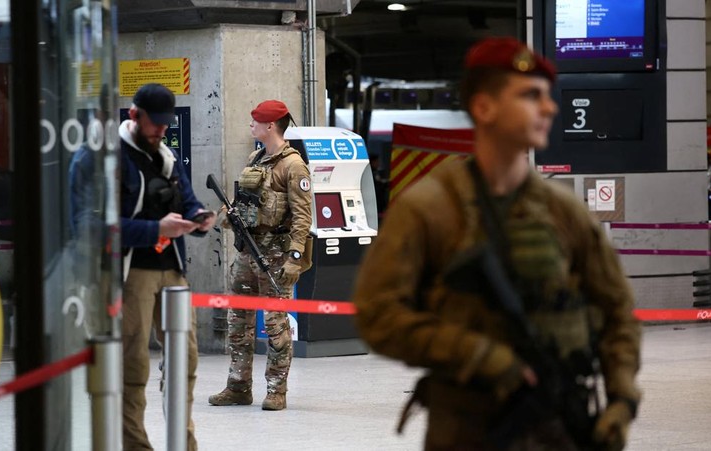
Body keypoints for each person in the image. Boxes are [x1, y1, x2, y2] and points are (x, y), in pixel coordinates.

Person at [352, 37, 642, 450]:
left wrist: (622, 396)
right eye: (530, 96)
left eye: (547, 96)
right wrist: (477, 355)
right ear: (484, 107)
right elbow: (377, 314)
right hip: (467, 431)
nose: (550, 108)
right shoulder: (429, 209)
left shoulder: (564, 211)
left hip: (562, 425)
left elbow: (618, 311)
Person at [119, 83, 216, 450]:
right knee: (133, 364)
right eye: (154, 123)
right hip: (132, 272)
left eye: (165, 124)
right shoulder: (107, 159)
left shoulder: (167, 157)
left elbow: (188, 201)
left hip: (172, 269)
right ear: (134, 115)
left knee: (185, 360)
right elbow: (92, 225)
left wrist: (199, 219)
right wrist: (155, 229)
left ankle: (183, 444)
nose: (160, 130)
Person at [208, 100, 313, 411]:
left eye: (256, 122)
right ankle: (238, 386)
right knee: (237, 320)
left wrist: (295, 257)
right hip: (247, 251)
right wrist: (231, 215)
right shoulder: (256, 158)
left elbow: (302, 217)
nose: (251, 126)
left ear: (271, 127)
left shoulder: (293, 166)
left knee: (275, 323)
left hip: (275, 257)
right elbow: (247, 202)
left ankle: (276, 391)